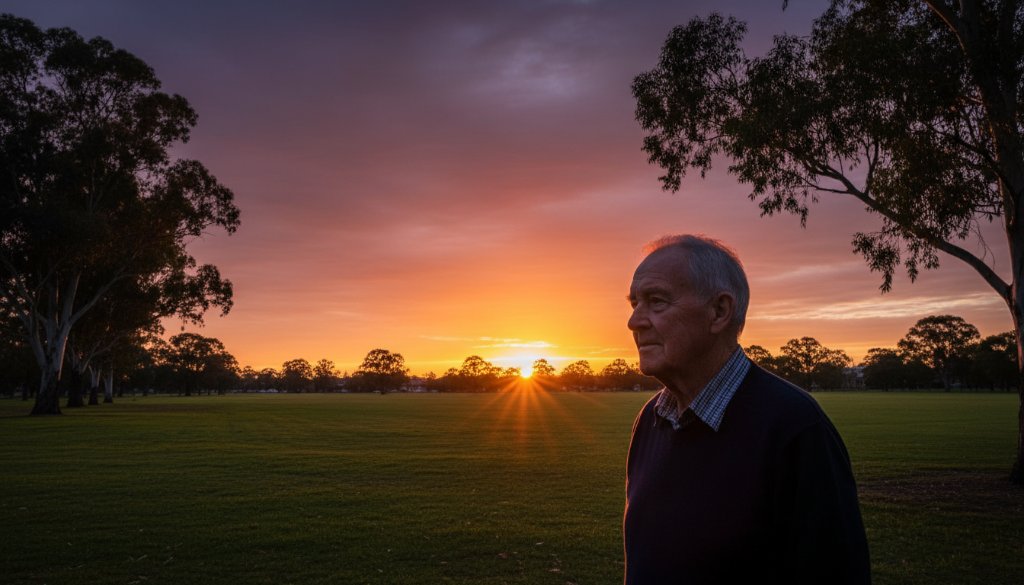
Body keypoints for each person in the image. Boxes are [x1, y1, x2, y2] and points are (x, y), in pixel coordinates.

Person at [623, 234, 870, 584]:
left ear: (719, 311)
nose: (634, 321)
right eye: (634, 303)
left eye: (656, 301)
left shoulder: (795, 428)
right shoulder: (650, 421)